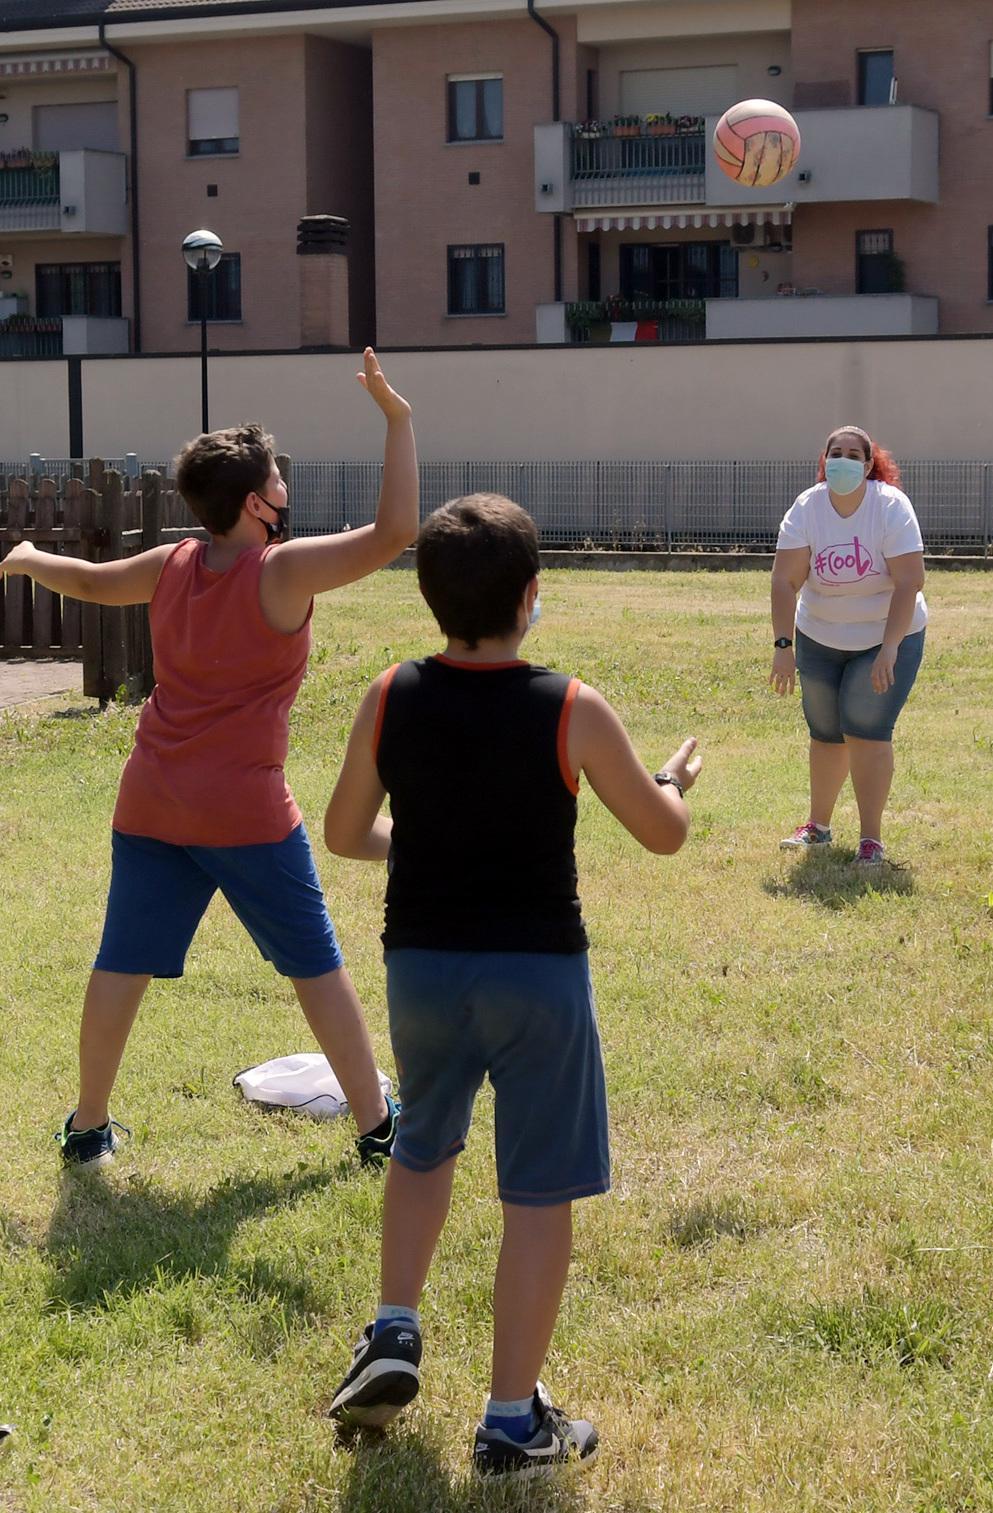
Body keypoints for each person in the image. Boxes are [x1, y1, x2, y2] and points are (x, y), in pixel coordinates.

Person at [322, 494, 701, 1476]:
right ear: (532, 596)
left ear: (427, 595)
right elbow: (660, 832)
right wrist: (672, 786)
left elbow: (343, 830)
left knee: (422, 1145)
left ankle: (394, 1330)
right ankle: (508, 1422)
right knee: (538, 1193)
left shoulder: (389, 694)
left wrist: (422, 843)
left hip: (422, 970)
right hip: (536, 977)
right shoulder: (569, 705)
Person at [0, 349, 417, 1167]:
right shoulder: (282, 569)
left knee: (122, 959)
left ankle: (88, 1126)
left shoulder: (172, 564)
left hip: (151, 797)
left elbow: (84, 581)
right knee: (315, 963)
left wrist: (22, 557)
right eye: (279, 481)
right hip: (244, 810)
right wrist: (397, 420)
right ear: (258, 502)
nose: (286, 492)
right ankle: (377, 1125)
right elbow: (397, 532)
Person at [770, 424, 927, 864]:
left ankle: (870, 840)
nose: (842, 460)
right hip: (820, 634)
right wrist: (784, 646)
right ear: (824, 461)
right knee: (825, 732)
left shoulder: (890, 505)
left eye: (853, 454)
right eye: (834, 452)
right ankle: (818, 827)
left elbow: (909, 581)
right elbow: (785, 580)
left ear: (869, 463)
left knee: (866, 729)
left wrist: (890, 648)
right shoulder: (808, 506)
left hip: (885, 635)